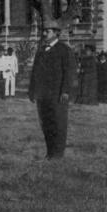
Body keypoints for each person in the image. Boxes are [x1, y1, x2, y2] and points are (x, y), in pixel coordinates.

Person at [28, 18, 76, 159]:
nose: (44, 34)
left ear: (56, 33)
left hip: (58, 94)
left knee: (58, 123)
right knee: (46, 123)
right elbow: (35, 72)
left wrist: (66, 91)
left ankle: (58, 154)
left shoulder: (64, 50)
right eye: (43, 31)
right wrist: (32, 90)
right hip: (42, 95)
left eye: (47, 31)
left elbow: (69, 72)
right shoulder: (41, 50)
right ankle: (50, 152)